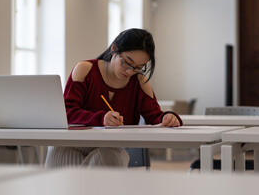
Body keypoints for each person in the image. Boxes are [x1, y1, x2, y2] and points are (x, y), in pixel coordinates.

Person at [45, 28, 183, 168]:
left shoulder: (140, 83)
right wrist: (100, 119)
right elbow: (66, 112)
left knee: (110, 156)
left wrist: (168, 118)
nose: (130, 71)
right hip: (71, 143)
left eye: (138, 67)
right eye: (127, 62)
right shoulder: (85, 70)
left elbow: (155, 117)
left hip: (110, 148)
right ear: (114, 49)